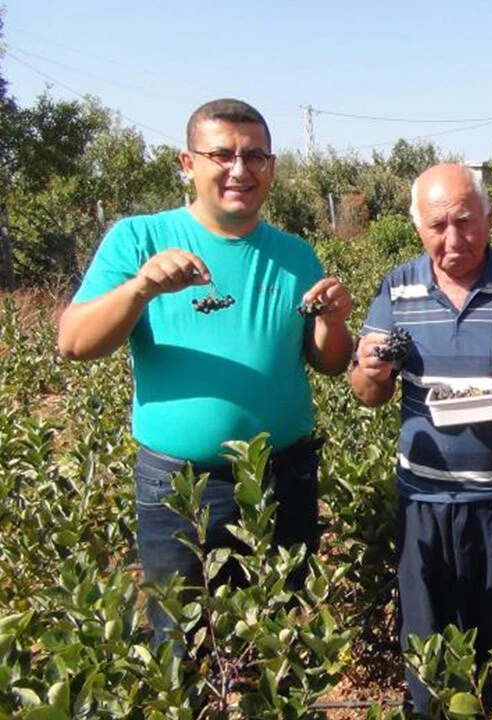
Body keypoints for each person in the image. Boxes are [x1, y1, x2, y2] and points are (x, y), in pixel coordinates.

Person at [56, 98, 354, 649]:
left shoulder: (295, 254)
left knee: (282, 642)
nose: (241, 170)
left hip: (282, 481)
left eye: (256, 156)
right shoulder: (139, 240)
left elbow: (329, 363)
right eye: (222, 155)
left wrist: (334, 324)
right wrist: (141, 287)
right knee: (185, 644)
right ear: (187, 163)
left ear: (272, 166)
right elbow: (74, 342)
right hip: (182, 488)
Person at [348, 163, 492, 713]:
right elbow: (367, 388)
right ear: (416, 227)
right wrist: (370, 371)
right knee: (434, 662)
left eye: (465, 221)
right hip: (429, 504)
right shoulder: (397, 288)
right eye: (437, 226)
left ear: (488, 218)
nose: (453, 239)